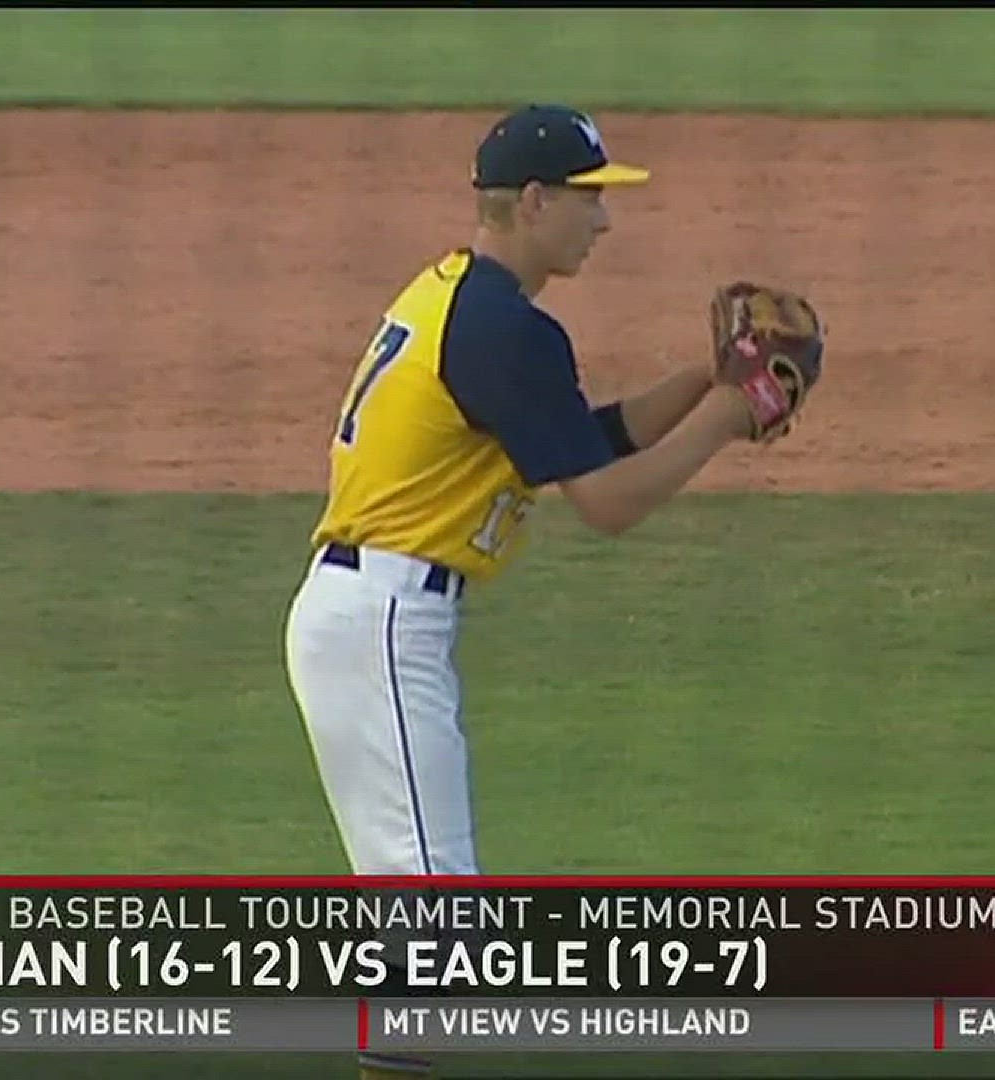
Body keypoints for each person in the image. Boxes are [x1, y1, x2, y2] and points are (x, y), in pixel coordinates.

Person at [280, 104, 814, 1080]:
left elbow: (583, 441)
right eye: (589, 200)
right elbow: (605, 503)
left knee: (428, 921)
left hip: (377, 617)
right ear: (532, 203)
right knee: (435, 926)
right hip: (381, 621)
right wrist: (733, 420)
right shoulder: (502, 330)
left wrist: (705, 379)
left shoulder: (465, 302)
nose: (603, 223)